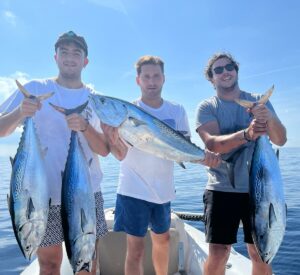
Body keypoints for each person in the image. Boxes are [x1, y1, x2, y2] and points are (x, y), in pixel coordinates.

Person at [0, 31, 109, 274]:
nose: (70, 57)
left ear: (85, 61)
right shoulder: (34, 88)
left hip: (86, 193)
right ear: (55, 57)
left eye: (76, 53)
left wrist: (84, 127)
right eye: (65, 52)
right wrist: (20, 112)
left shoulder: (95, 99)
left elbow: (104, 149)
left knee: (87, 263)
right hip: (40, 196)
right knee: (49, 264)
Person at [101, 55, 221, 275]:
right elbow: (120, 155)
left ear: (164, 78)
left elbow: (184, 148)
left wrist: (206, 158)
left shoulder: (176, 110)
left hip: (163, 191)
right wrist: (113, 138)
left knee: (163, 241)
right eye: (146, 76)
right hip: (132, 190)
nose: (151, 81)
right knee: (135, 249)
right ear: (138, 80)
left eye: (156, 75)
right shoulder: (126, 111)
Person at [195, 52, 287, 275]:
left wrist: (267, 116)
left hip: (262, 190)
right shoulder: (208, 107)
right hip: (221, 187)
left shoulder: (257, 101)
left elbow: (280, 139)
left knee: (259, 251)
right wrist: (247, 133)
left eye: (229, 67)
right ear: (211, 78)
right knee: (219, 251)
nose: (225, 72)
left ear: (236, 70)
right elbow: (213, 143)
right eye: (218, 70)